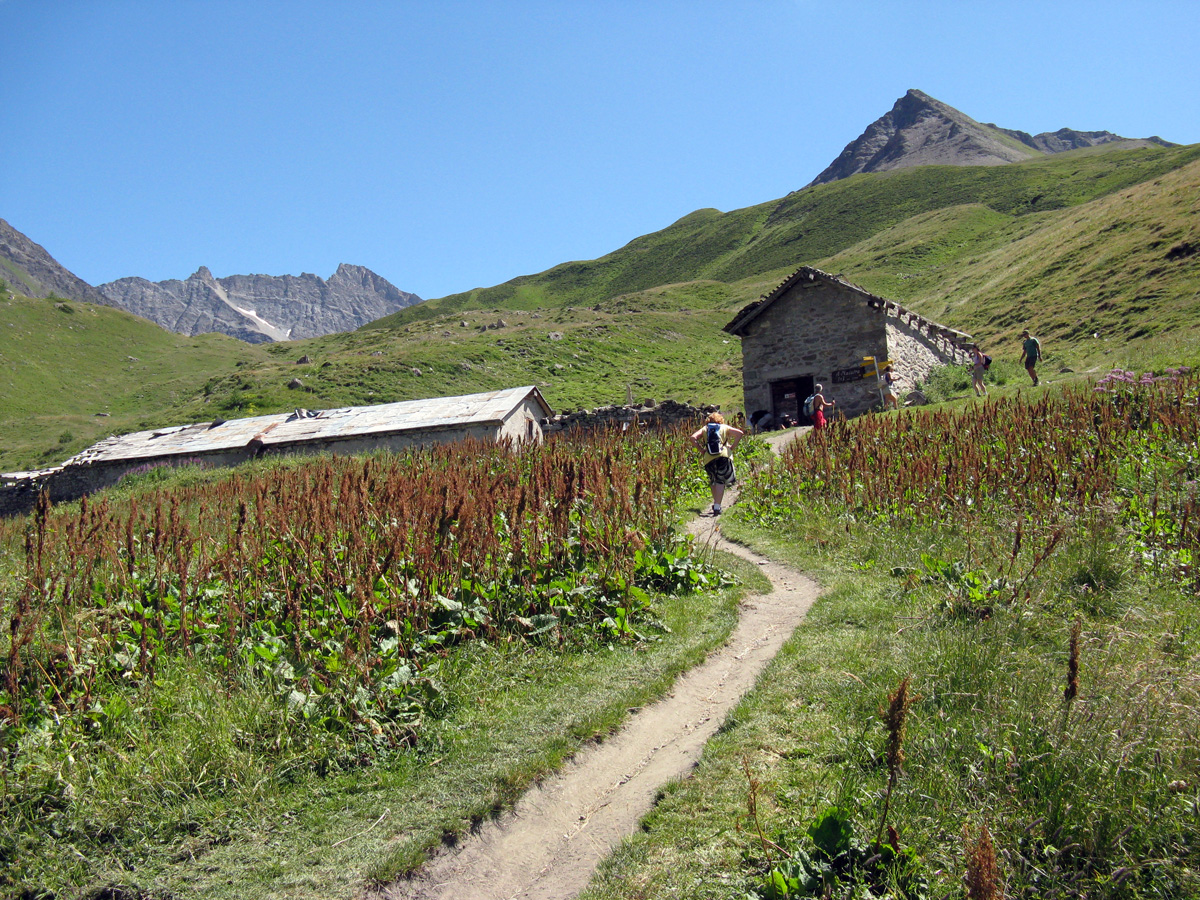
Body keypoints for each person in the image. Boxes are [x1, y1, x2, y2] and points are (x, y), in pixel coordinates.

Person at [691, 412, 744, 516]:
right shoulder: (724, 427)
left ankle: (716, 503)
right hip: (723, 455)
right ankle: (717, 506)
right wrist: (732, 447)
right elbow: (740, 433)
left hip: (708, 457)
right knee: (720, 480)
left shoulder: (705, 429)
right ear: (720, 419)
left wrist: (701, 450)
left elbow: (693, 438)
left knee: (713, 480)